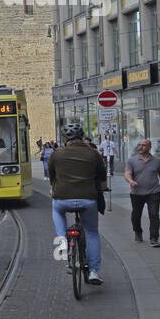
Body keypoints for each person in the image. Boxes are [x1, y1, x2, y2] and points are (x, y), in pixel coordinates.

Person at [47, 122, 107, 285]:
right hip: (88, 199)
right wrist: (104, 188)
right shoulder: (93, 154)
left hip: (62, 198)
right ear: (82, 136)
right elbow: (102, 177)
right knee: (92, 233)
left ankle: (62, 243)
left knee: (56, 210)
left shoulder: (56, 154)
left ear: (65, 138)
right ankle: (94, 271)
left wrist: (54, 188)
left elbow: (52, 177)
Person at [124, 139, 160, 247]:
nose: (140, 147)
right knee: (136, 215)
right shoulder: (132, 160)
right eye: (139, 145)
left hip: (153, 192)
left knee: (154, 214)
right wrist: (130, 181)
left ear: (149, 147)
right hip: (136, 193)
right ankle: (138, 231)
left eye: (143, 145)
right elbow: (127, 173)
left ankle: (154, 238)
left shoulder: (157, 161)